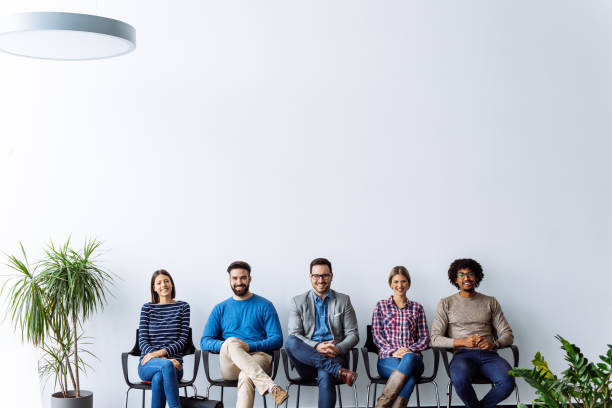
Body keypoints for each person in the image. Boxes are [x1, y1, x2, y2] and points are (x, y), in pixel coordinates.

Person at [200, 261, 288, 407]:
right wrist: (229, 345)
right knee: (231, 341)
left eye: (243, 278)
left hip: (259, 357)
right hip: (230, 364)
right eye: (234, 278)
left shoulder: (265, 305)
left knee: (247, 375)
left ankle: (272, 388)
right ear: (229, 280)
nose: (239, 282)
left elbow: (277, 339)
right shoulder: (220, 309)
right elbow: (205, 341)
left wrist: (249, 346)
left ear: (250, 279)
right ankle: (271, 387)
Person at [431, 258, 515, 408]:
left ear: (476, 277)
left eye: (470, 274)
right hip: (462, 356)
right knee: (459, 378)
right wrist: (462, 342)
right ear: (455, 279)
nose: (466, 278)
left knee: (508, 381)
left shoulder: (490, 301)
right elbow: (435, 339)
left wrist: (493, 343)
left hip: (489, 355)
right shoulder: (446, 303)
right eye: (461, 275)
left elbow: (508, 334)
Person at [284, 258, 359, 408]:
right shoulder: (297, 301)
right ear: (310, 277)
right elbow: (295, 334)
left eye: (325, 275)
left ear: (331, 276)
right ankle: (338, 371)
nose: (321, 280)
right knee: (290, 341)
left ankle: (333, 369)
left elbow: (353, 334)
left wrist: (338, 348)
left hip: (335, 355)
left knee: (325, 374)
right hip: (307, 361)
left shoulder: (344, 300)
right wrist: (317, 346)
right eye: (316, 276)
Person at [372, 266, 430, 408]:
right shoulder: (381, 306)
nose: (400, 285)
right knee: (408, 380)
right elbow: (377, 336)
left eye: (403, 281)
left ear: (408, 283)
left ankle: (381, 405)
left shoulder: (417, 308)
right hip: (387, 359)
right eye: (396, 281)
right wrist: (393, 351)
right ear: (391, 284)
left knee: (409, 357)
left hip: (413, 360)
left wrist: (408, 349)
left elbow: (425, 338)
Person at [138, 269, 190, 408]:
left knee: (159, 378)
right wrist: (164, 360)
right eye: (159, 282)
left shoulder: (183, 307)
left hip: (175, 367)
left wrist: (158, 354)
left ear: (172, 284)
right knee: (166, 366)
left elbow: (183, 341)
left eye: (166, 281)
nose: (163, 285)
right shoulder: (147, 308)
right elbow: (142, 341)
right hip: (148, 364)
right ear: (154, 288)